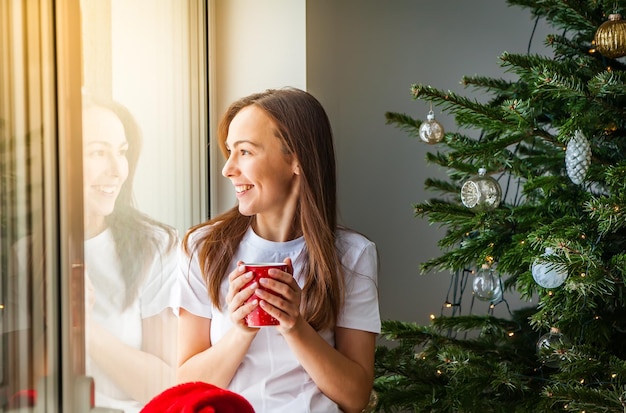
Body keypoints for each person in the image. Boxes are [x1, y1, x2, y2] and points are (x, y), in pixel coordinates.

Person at [175, 87, 381, 413]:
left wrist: (295, 326)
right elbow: (184, 387)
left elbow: (354, 397)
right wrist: (241, 330)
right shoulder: (204, 248)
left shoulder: (351, 255)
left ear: (296, 159)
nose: (228, 169)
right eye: (229, 151)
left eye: (245, 152)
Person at [82, 96, 180, 412]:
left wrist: (82, 326)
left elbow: (167, 385)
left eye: (122, 153)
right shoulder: (23, 254)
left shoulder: (155, 245)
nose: (117, 170)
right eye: (98, 152)